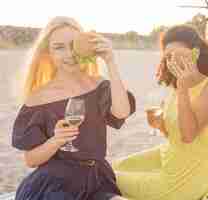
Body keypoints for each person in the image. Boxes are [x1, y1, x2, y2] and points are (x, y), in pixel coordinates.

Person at [12, 16, 135, 200]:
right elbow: (31, 160)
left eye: (73, 45)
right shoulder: (38, 99)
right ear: (48, 53)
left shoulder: (98, 85)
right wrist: (55, 141)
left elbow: (121, 112)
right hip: (55, 185)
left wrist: (110, 62)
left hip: (97, 179)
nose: (69, 54)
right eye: (59, 47)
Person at [112, 25, 208, 200]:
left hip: (185, 178)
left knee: (107, 178)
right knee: (112, 167)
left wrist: (183, 88)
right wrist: (161, 125)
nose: (172, 61)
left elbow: (188, 137)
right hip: (168, 155)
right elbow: (173, 135)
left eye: (177, 54)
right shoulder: (174, 86)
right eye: (167, 57)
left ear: (195, 53)